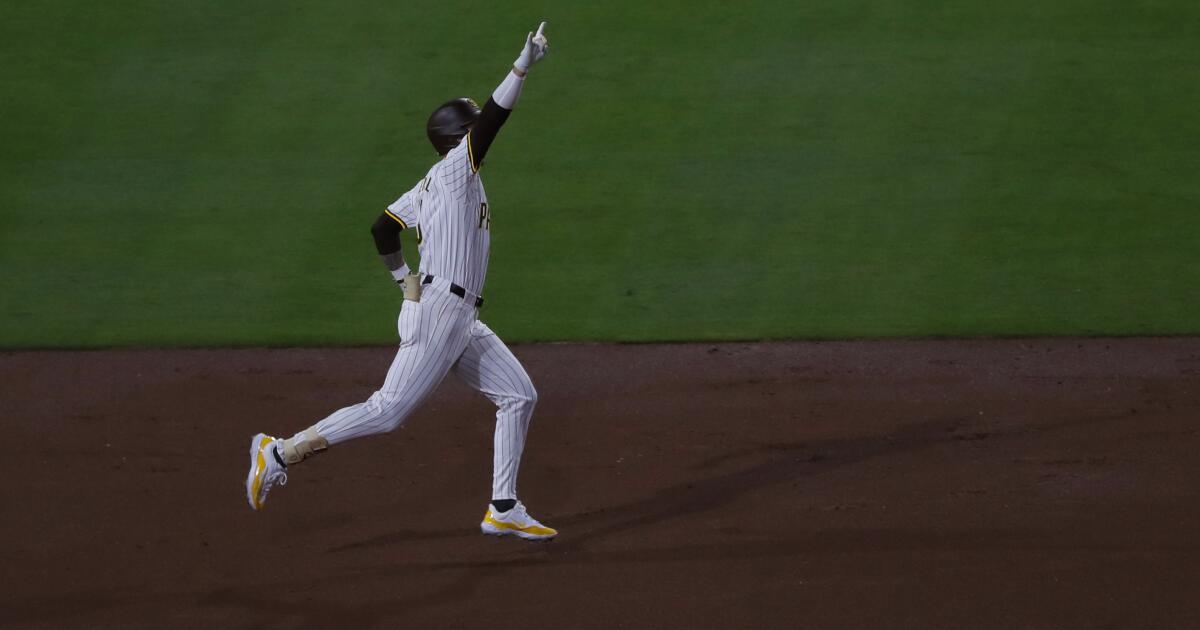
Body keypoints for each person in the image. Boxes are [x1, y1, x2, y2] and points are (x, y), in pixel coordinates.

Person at [245, 22, 556, 541]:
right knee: (388, 411)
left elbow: (382, 227)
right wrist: (521, 66)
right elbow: (495, 122)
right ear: (459, 139)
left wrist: (402, 280)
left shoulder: (432, 183)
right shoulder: (457, 168)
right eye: (472, 128)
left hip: (457, 315)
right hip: (441, 313)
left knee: (519, 396)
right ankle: (277, 451)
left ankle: (503, 505)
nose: (479, 133)